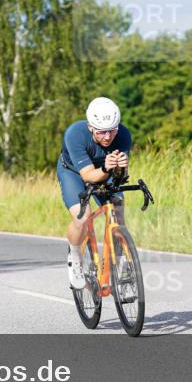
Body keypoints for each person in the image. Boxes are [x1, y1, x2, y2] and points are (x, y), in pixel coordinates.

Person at [57, 97, 131, 289]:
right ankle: (75, 258)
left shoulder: (123, 135)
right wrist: (107, 169)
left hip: (104, 170)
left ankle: (120, 259)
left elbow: (119, 176)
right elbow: (88, 175)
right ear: (90, 127)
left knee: (118, 210)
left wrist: (122, 169)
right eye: (101, 132)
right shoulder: (75, 134)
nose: (107, 137)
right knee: (83, 217)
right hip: (73, 173)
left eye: (112, 130)